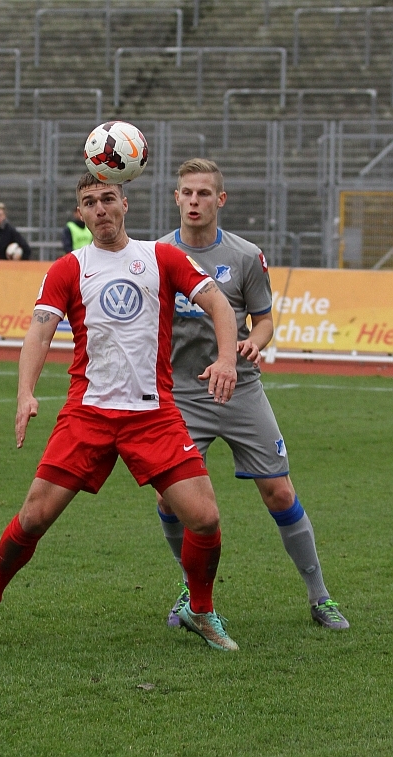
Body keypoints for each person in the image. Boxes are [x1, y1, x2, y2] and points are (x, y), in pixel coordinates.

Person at [0, 171, 241, 652]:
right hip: (87, 414)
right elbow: (39, 331)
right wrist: (25, 392)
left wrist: (227, 359)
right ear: (81, 214)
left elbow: (220, 305)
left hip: (152, 415)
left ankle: (200, 608)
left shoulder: (162, 257)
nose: (100, 208)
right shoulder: (69, 268)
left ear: (124, 203)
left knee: (205, 518)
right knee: (33, 517)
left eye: (108, 198)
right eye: (90, 202)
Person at [157, 158, 349, 631]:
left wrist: (253, 343)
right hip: (182, 396)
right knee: (171, 502)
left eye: (204, 193)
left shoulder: (245, 256)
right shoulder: (157, 255)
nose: (195, 201)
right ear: (176, 198)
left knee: (279, 491)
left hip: (240, 389)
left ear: (220, 200)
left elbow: (263, 320)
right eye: (187, 193)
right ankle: (191, 590)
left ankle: (320, 596)